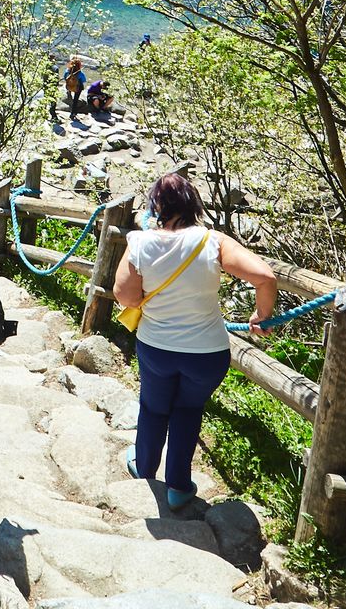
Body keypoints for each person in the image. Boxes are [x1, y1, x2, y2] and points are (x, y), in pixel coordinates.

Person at [112, 172, 278, 510]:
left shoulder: (140, 243)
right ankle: (178, 486)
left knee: (154, 408)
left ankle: (144, 468)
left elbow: (124, 296)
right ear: (193, 204)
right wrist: (261, 315)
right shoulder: (212, 241)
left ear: (156, 206)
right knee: (188, 410)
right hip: (207, 352)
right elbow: (265, 277)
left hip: (157, 347)